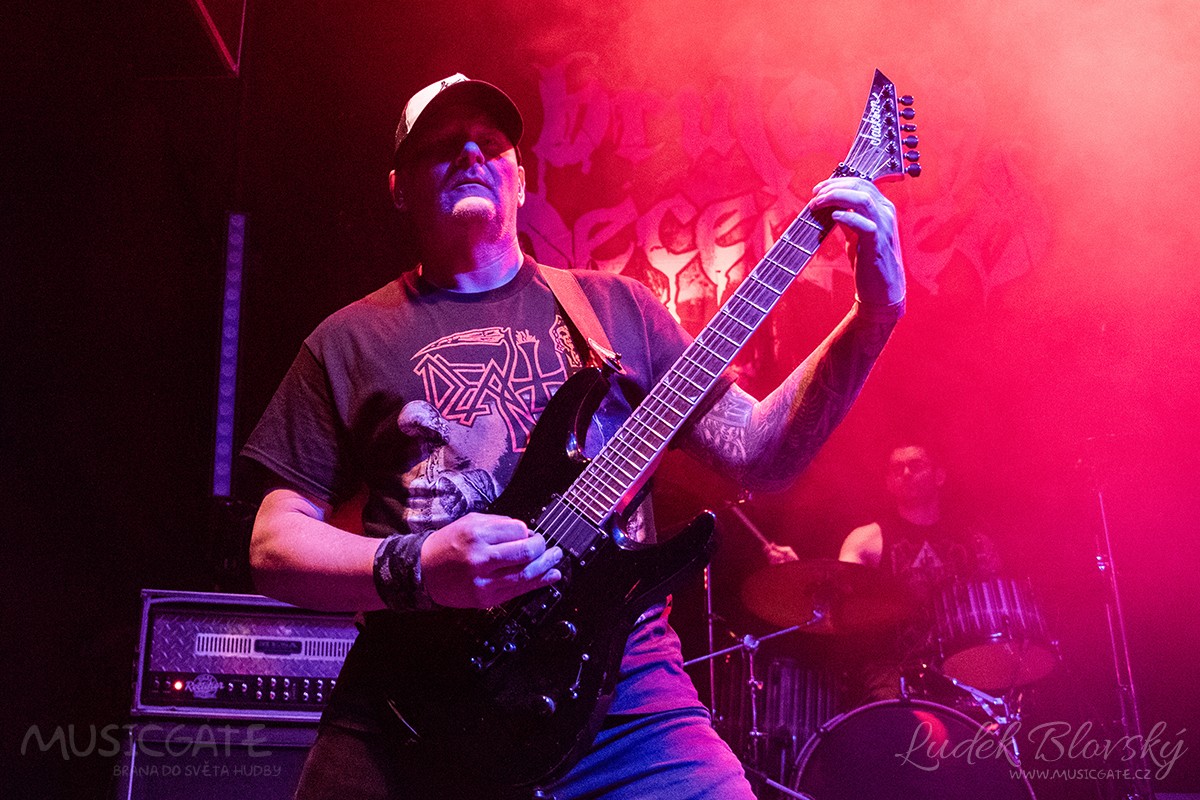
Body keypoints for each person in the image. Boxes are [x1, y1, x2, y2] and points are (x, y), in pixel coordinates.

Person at [242, 73, 907, 800]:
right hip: (415, 707)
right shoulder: (346, 340)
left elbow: (760, 452)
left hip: (627, 701)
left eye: (491, 143)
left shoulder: (615, 310)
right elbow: (275, 546)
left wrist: (872, 316)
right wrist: (422, 566)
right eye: (443, 144)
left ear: (521, 180)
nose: (471, 154)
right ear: (399, 188)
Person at [838, 443, 1002, 702]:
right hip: (892, 668)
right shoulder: (866, 540)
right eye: (897, 469)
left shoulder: (974, 542)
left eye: (915, 466)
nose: (905, 473)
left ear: (939, 476)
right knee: (893, 711)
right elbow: (839, 594)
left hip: (963, 661)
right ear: (889, 483)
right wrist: (801, 570)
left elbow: (996, 610)